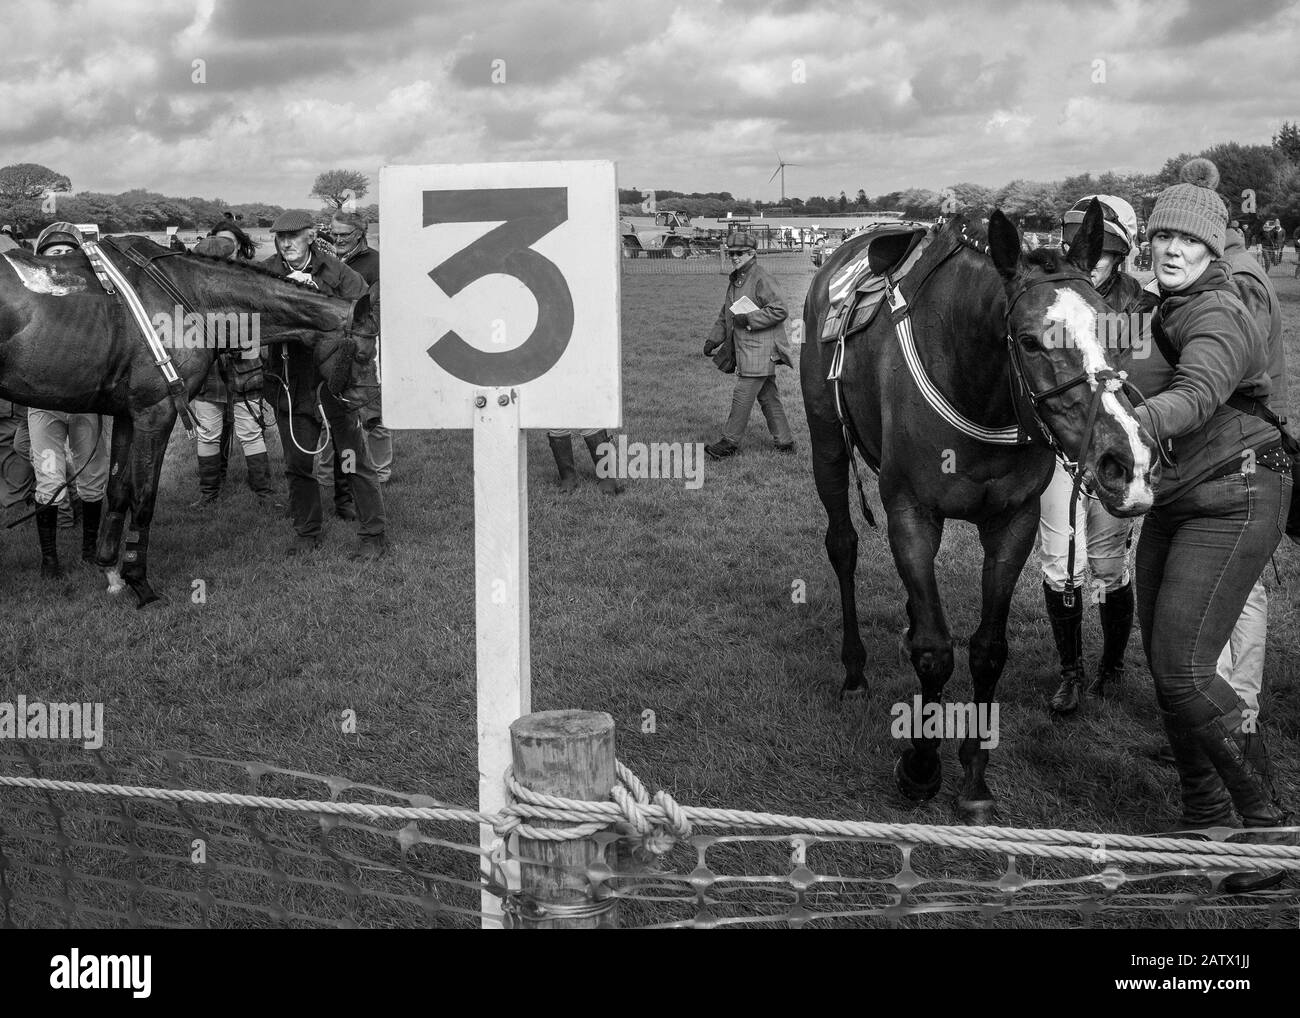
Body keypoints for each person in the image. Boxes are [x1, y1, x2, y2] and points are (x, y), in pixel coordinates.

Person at [1126, 159, 1294, 883]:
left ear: (1212, 250)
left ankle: (1270, 826)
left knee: (1187, 670)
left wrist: (1130, 421)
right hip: (1178, 498)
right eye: (1162, 235)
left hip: (1237, 494)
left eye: (1187, 242)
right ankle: (1203, 817)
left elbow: (1196, 393)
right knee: (1170, 670)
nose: (1170, 249)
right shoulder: (1160, 306)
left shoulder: (1219, 310)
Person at [1039, 196, 1144, 713]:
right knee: (1061, 564)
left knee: (1108, 563)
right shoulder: (1051, 296)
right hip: (1060, 447)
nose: (1091, 260)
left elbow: (1137, 381)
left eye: (1103, 251)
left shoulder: (1140, 304)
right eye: (1085, 247)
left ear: (1120, 254)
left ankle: (1113, 665)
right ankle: (1071, 672)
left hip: (1108, 447)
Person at [260, 209, 387, 560]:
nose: (285, 242)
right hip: (289, 379)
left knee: (351, 458)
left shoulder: (337, 272)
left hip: (335, 380)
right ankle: (307, 532)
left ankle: (373, 534)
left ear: (310, 237)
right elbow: (248, 324)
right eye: (280, 237)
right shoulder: (267, 272)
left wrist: (321, 308)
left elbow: (366, 316)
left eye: (293, 236)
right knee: (298, 463)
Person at [26, 222, 111, 578]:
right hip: (43, 402)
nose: (61, 259)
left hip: (86, 400)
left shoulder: (97, 297)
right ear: (40, 258)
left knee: (93, 476)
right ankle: (49, 560)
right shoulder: (25, 299)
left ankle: (90, 549)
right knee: (48, 476)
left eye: (67, 252)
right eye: (53, 253)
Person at [187, 223, 283, 511]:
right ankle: (208, 493)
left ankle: (264, 493)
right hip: (208, 372)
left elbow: (261, 322)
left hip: (245, 367)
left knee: (250, 430)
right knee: (208, 432)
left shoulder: (248, 282)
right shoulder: (191, 288)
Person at [315, 210, 391, 506]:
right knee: (328, 414)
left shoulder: (376, 264)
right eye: (334, 234)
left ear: (361, 233)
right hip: (331, 347)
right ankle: (328, 476)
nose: (337, 239)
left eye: (344, 235)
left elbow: (379, 310)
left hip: (366, 347)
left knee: (372, 414)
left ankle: (381, 472)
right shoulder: (329, 263)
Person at [702, 233, 794, 458]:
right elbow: (726, 314)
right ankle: (785, 441)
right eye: (731, 253)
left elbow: (780, 309)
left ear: (752, 253)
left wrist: (750, 319)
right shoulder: (737, 279)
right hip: (748, 350)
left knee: (742, 395)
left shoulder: (761, 277)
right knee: (768, 396)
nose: (734, 257)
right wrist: (713, 339)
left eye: (739, 253)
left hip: (760, 350)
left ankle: (729, 443)